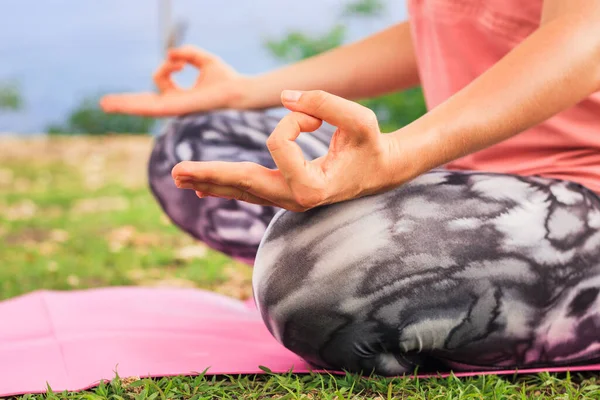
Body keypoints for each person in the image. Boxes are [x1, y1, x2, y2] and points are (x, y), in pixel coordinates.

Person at [100, 0, 600, 375]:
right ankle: (387, 266)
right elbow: (444, 23)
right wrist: (247, 91)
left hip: (585, 194)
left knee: (308, 287)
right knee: (201, 142)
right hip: (478, 180)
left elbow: (587, 29)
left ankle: (370, 271)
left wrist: (402, 154)